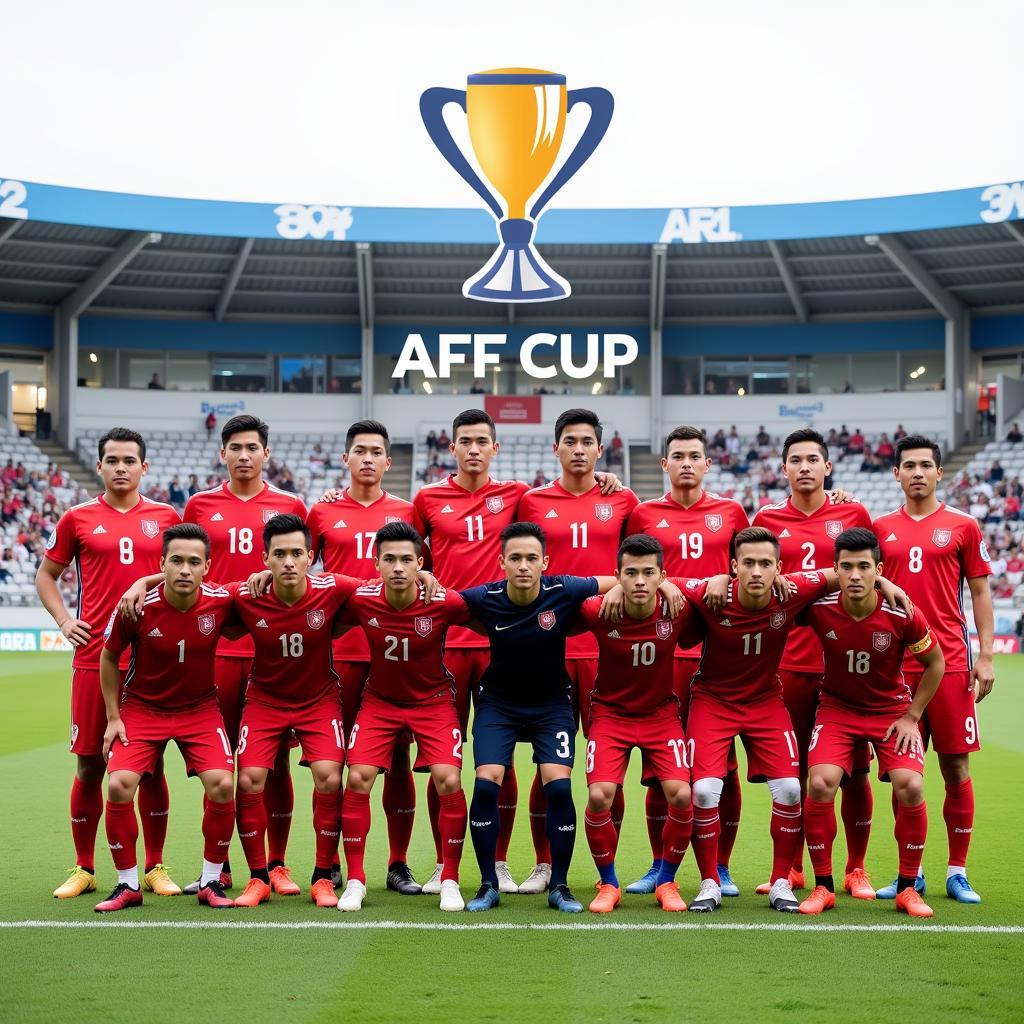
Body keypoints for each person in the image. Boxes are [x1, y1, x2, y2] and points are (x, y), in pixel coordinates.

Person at [681, 528, 908, 914]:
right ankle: (709, 882)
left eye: (765, 564)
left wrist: (882, 580)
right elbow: (660, 580)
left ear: (779, 569)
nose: (756, 572)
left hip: (766, 701)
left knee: (789, 787)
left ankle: (783, 881)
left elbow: (843, 572)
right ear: (734, 566)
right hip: (712, 701)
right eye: (747, 563)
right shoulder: (711, 591)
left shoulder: (795, 589)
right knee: (703, 792)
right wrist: (705, 580)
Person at [458, 522, 673, 914]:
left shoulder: (564, 589)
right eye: (515, 558)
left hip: (551, 705)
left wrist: (667, 585)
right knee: (487, 782)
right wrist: (422, 575)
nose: (524, 566)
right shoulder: (484, 598)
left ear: (545, 562)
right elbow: (442, 604)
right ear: (502, 562)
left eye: (531, 558)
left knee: (558, 787)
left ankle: (559, 884)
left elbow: (620, 577)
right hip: (498, 706)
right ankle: (489, 884)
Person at [36, 427, 180, 900]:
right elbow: (47, 575)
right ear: (99, 466)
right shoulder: (77, 518)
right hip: (94, 659)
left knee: (152, 767)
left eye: (129, 460)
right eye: (112, 460)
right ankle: (84, 866)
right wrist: (63, 620)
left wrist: (148, 578)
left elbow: (190, 565)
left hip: (153, 659)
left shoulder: (165, 517)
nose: (121, 467)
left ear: (145, 467)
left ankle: (155, 866)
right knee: (88, 768)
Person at [179, 414, 307, 895]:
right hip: (215, 650)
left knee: (271, 763)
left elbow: (302, 568)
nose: (244, 455)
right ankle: (221, 866)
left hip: (272, 650)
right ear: (223, 454)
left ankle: (276, 864)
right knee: (222, 765)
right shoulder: (200, 504)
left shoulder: (289, 504)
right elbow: (185, 565)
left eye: (252, 447)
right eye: (235, 447)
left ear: (266, 454)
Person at [517, 409, 638, 893]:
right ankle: (545, 863)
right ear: (556, 448)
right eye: (570, 441)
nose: (579, 449)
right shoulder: (530, 501)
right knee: (550, 762)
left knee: (610, 762)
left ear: (600, 449)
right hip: (546, 645)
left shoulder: (624, 499)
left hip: (609, 648)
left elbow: (643, 563)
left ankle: (605, 868)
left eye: (588, 441)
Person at [624, 425, 748, 896]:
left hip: (720, 655)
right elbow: (628, 567)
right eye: (678, 456)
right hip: (661, 654)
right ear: (665, 464)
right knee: (663, 767)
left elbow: (753, 563)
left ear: (708, 464)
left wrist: (718, 575)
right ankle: (661, 865)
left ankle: (722, 867)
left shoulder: (731, 512)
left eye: (695, 455)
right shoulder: (643, 513)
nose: (687, 463)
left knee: (724, 768)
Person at [752, 428, 875, 898]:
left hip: (844, 663)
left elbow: (871, 571)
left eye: (812, 460)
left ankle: (856, 868)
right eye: (795, 460)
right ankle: (794, 868)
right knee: (793, 771)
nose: (804, 467)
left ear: (828, 467)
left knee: (854, 772)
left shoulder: (853, 513)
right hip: (786, 662)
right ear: (783, 469)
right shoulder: (766, 518)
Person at [798, 527, 944, 918]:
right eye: (847, 567)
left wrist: (913, 717)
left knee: (910, 785)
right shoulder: (820, 605)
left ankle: (908, 888)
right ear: (836, 570)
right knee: (820, 783)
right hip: (837, 708)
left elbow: (936, 663)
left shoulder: (901, 610)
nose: (856, 576)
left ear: (878, 570)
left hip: (890, 711)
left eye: (865, 567)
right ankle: (824, 886)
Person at [874, 435, 995, 903]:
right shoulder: (881, 526)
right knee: (903, 772)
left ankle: (957, 871)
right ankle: (912, 873)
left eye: (926, 465)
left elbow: (980, 592)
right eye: (909, 465)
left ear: (940, 473)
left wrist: (984, 655)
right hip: (892, 668)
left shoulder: (963, 526)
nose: (918, 472)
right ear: (897, 474)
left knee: (956, 767)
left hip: (948, 664)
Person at [95, 524, 239, 913]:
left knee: (223, 784)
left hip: (199, 710)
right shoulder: (136, 606)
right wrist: (113, 718)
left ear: (208, 566)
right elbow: (107, 658)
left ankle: (211, 880)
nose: (185, 570)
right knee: (120, 785)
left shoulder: (221, 601)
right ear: (162, 564)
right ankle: (127, 885)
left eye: (195, 562)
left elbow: (262, 592)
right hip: (143, 708)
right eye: (176, 561)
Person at [307, 421, 422, 896]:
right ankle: (328, 864)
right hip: (337, 656)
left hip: (395, 657)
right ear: (345, 459)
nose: (368, 458)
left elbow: (425, 574)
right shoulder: (321, 512)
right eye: (360, 451)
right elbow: (296, 571)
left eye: (377, 451)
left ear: (389, 461)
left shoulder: (408, 513)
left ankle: (398, 864)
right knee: (333, 764)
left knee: (396, 759)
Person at [336, 522, 472, 913]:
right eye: (389, 559)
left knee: (448, 778)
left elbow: (482, 615)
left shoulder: (443, 601)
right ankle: (357, 880)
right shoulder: (362, 598)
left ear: (420, 564)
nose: (398, 567)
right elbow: (318, 584)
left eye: (407, 560)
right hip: (379, 701)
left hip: (433, 701)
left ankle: (450, 879)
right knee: (358, 777)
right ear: (375, 563)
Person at [229, 514, 359, 908]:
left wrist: (423, 577)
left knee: (329, 776)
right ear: (265, 558)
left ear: (311, 557)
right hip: (265, 700)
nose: (288, 561)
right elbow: (191, 590)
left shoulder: (334, 588)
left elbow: (384, 586)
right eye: (279, 553)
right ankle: (258, 878)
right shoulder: (245, 595)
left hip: (319, 700)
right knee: (249, 779)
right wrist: (142, 581)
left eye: (296, 553)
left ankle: (323, 877)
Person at [576, 535, 698, 913]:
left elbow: (715, 582)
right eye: (631, 574)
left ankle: (667, 880)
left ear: (663, 575)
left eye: (650, 573)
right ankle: (608, 882)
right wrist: (611, 590)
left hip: (660, 714)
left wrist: (671, 585)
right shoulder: (598, 611)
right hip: (611, 715)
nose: (641, 581)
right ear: (618, 576)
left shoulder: (677, 608)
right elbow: (565, 591)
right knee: (600, 796)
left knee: (681, 793)